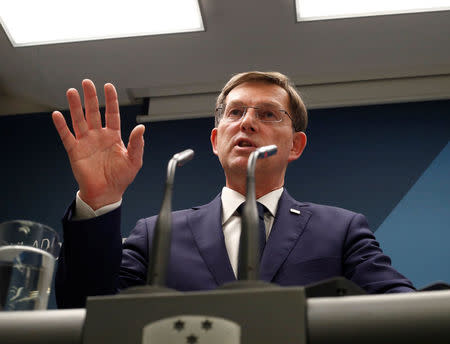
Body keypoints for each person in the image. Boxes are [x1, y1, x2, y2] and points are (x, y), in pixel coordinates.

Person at [52, 71, 415, 308]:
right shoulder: (156, 234)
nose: (248, 123)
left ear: (296, 146)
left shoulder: (340, 230)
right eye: (235, 112)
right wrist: (99, 199)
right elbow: (85, 309)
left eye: (268, 114)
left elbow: (403, 309)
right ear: (215, 139)